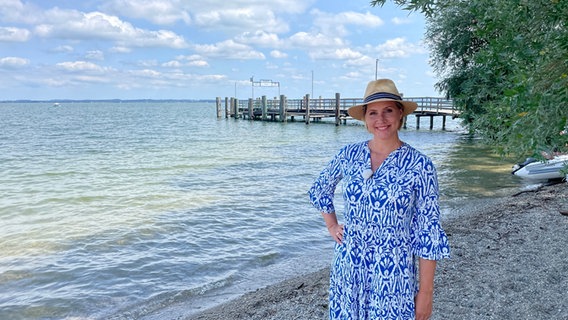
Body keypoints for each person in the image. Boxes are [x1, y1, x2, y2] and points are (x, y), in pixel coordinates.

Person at [308, 79, 451, 320]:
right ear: (364, 118)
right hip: (349, 265)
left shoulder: (420, 166)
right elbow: (319, 190)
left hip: (393, 271)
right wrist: (332, 225)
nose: (381, 119)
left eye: (388, 111)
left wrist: (425, 293)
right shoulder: (348, 155)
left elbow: (428, 232)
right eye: (373, 112)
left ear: (400, 113)